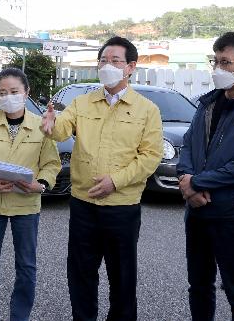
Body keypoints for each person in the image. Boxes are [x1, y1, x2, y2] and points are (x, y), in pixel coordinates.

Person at [41, 36, 163, 320]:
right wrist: (49, 125)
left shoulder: (147, 110)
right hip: (83, 204)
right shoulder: (82, 103)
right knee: (81, 274)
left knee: (122, 277)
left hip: (122, 206)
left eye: (115, 61)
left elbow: (149, 157)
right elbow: (62, 130)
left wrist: (116, 181)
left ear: (131, 67)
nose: (107, 66)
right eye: (103, 61)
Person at [177, 31, 234, 321]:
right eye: (215, 62)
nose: (219, 69)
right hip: (198, 212)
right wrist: (186, 181)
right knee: (199, 286)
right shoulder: (208, 103)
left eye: (226, 62)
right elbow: (189, 144)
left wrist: (197, 183)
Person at [0, 68, 61, 321]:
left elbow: (52, 164)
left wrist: (40, 184)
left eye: (14, 92)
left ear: (27, 93)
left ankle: (20, 317)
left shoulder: (41, 126)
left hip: (26, 204)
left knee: (26, 266)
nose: (8, 97)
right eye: (2, 93)